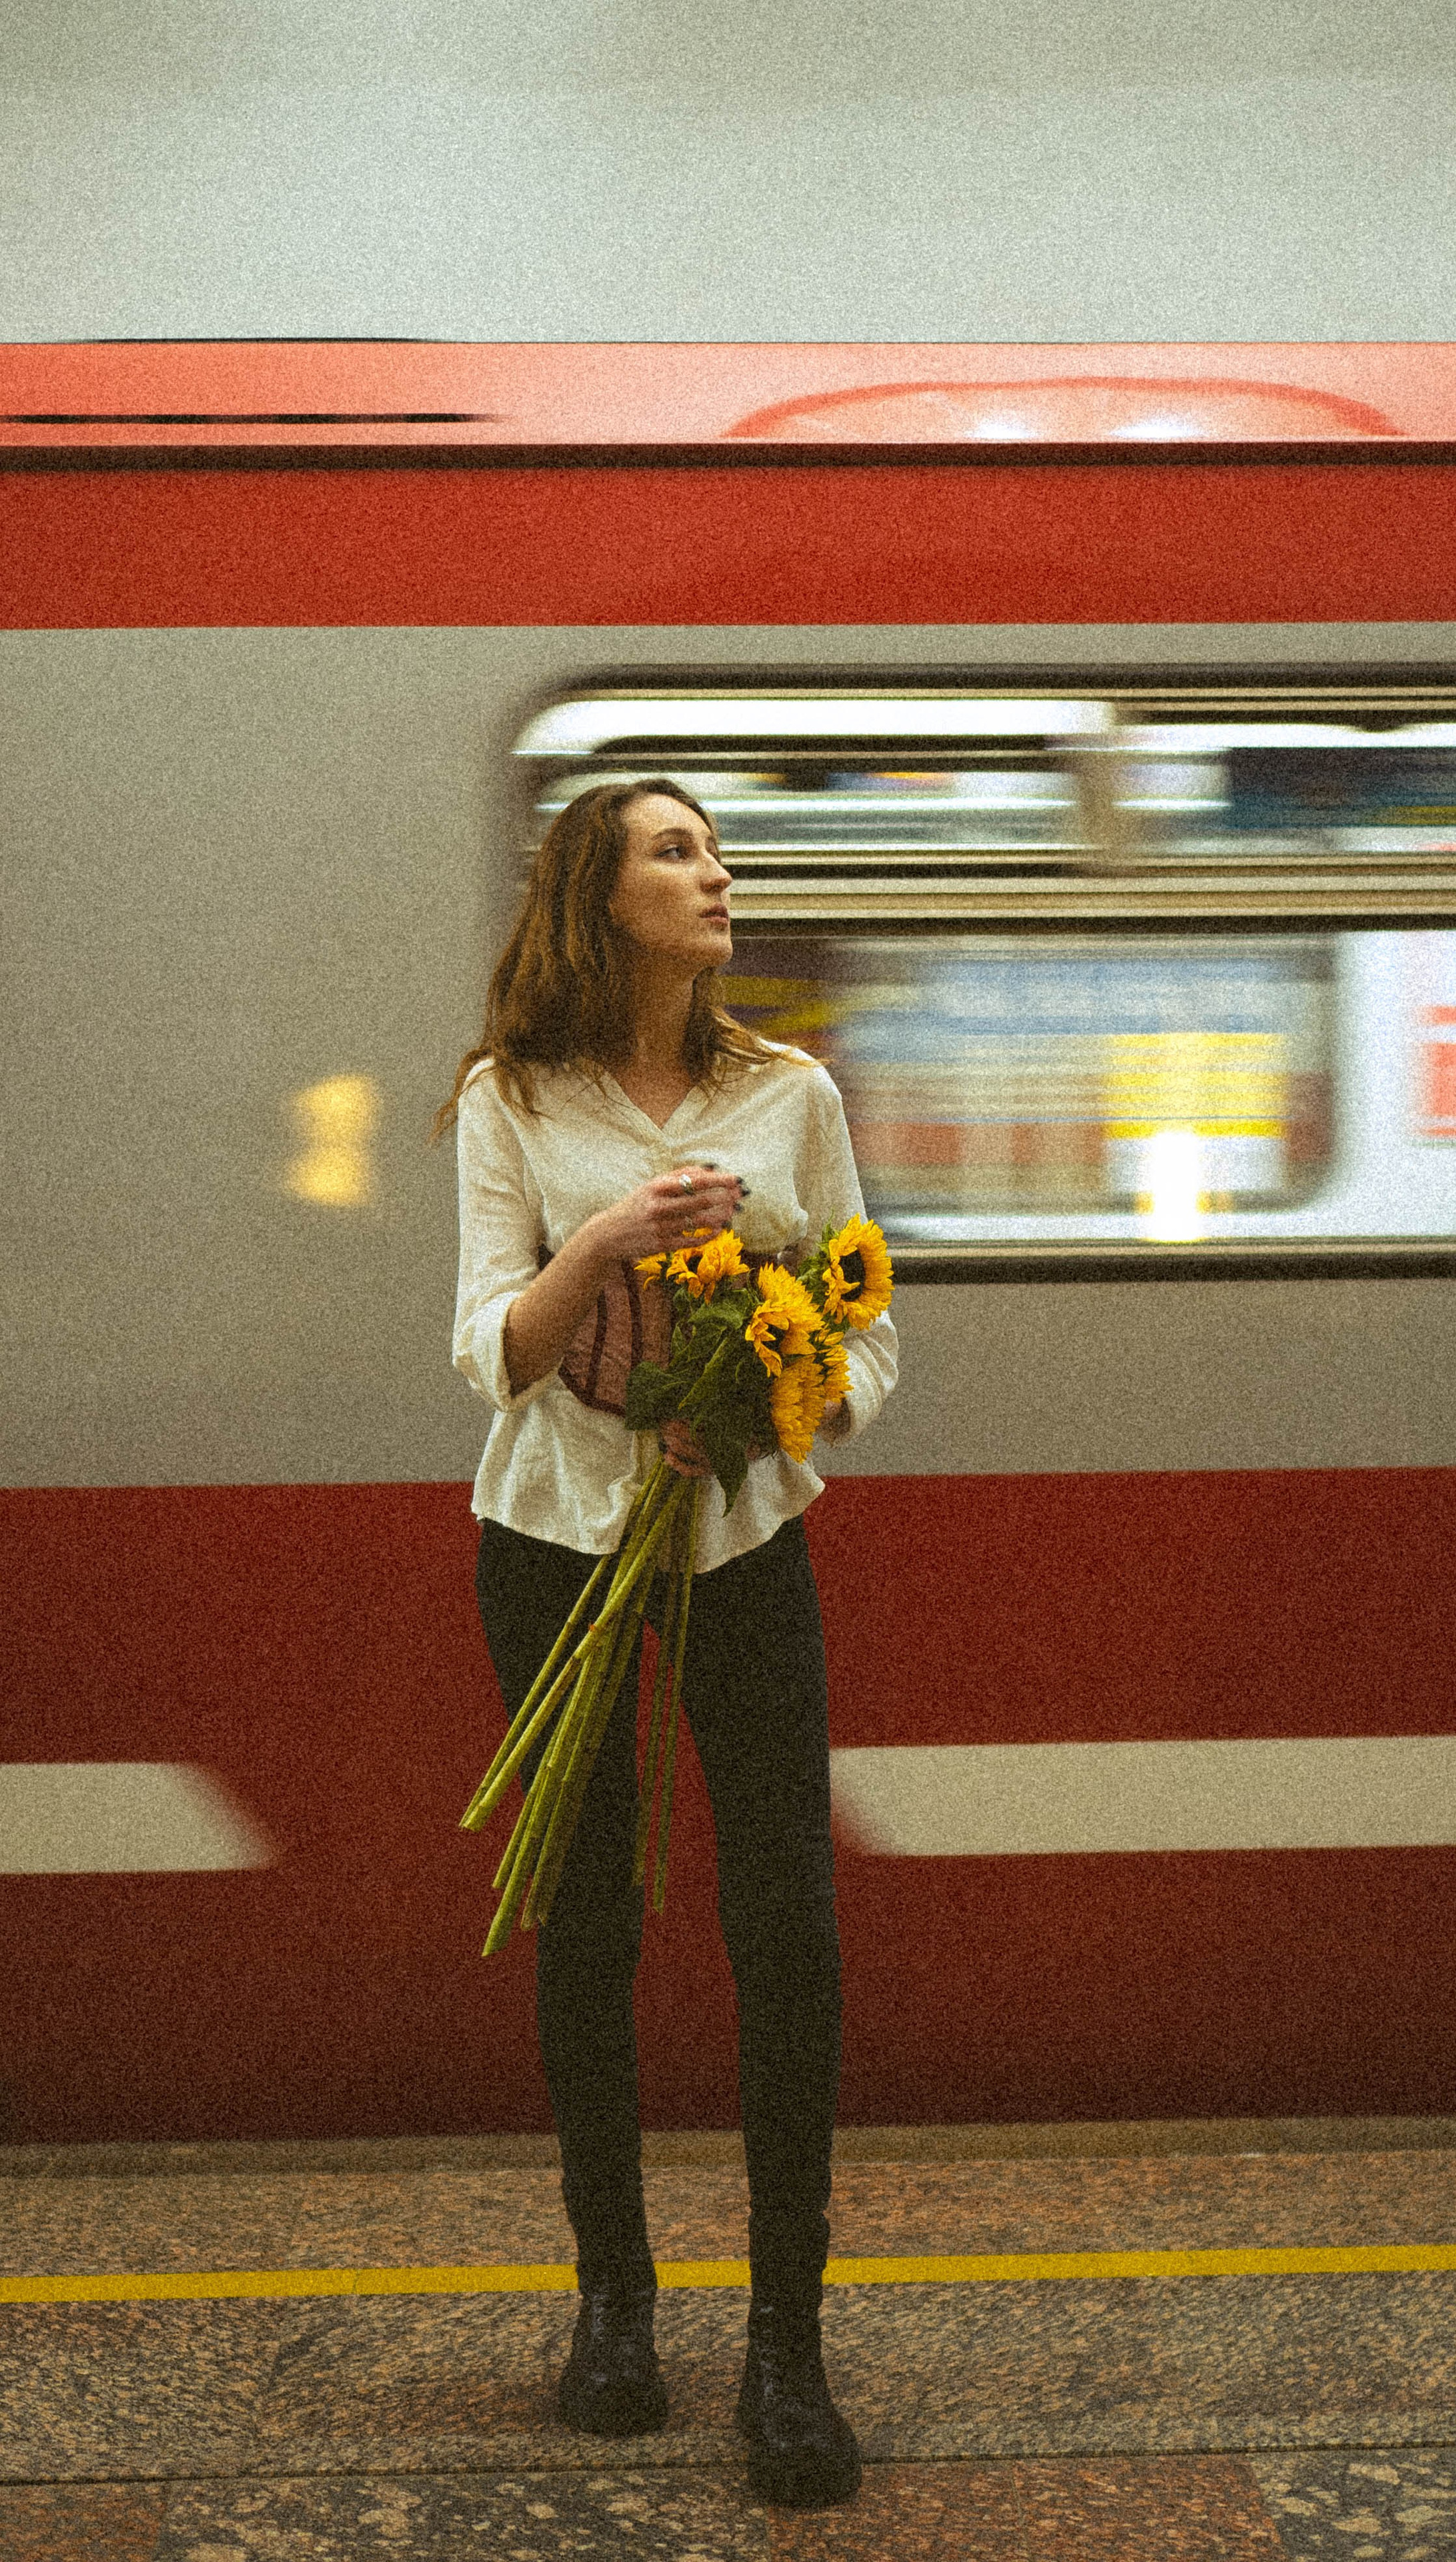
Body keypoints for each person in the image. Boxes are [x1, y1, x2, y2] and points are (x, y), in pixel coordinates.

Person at [432, 777, 898, 2509]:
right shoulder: (511, 1099)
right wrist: (612, 1240)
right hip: (551, 1542)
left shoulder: (792, 1095)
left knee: (786, 1919)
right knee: (587, 1917)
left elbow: (864, 1329)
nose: (716, 876)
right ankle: (613, 2309)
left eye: (714, 851)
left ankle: (787, 2346)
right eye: (676, 852)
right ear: (598, 896)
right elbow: (491, 1348)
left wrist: (773, 1400)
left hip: (743, 1540)